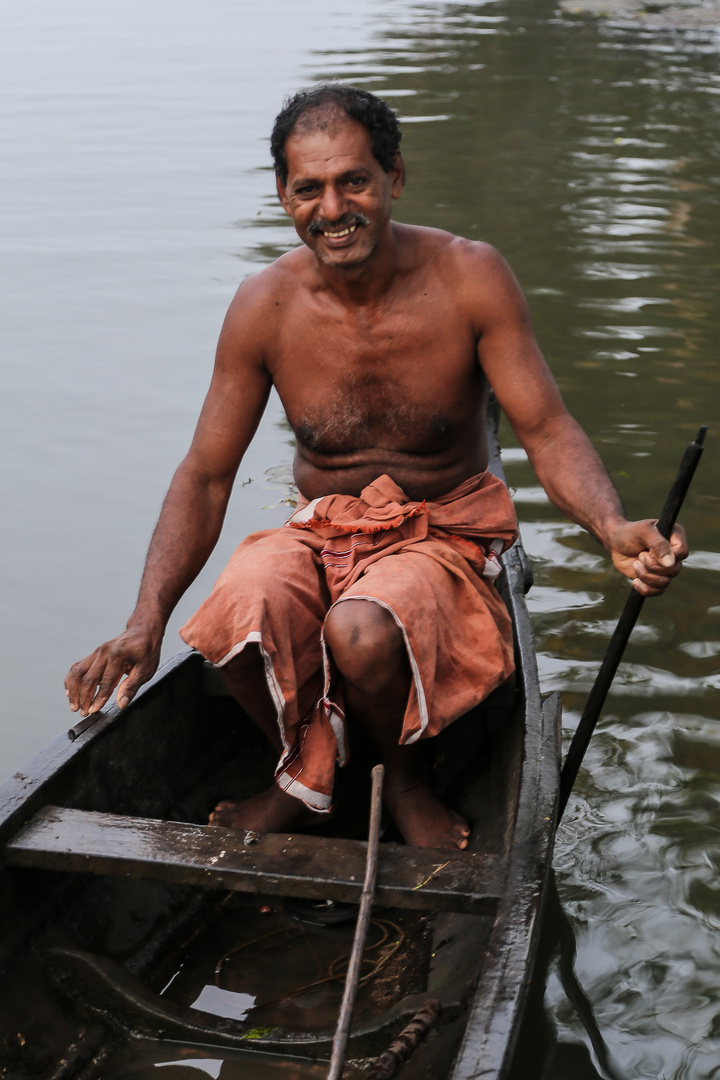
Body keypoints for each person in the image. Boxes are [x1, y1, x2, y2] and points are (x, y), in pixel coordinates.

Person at [65, 85, 687, 851]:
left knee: (358, 630)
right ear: (284, 196)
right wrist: (143, 623)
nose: (333, 208)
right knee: (232, 611)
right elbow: (205, 475)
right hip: (325, 532)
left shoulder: (470, 278)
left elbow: (547, 427)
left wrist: (612, 525)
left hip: (440, 537)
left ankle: (403, 780)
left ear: (394, 176)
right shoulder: (265, 304)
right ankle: (306, 772)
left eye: (353, 181)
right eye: (309, 189)